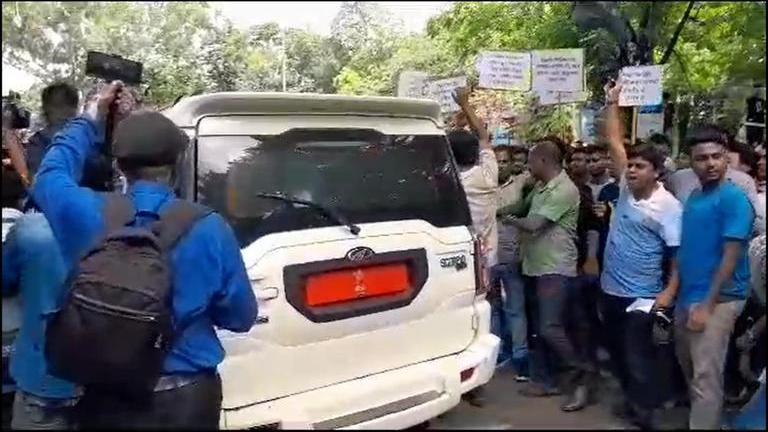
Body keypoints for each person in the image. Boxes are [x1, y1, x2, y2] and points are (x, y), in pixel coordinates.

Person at [31, 82, 257, 428]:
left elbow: (49, 175)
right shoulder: (210, 228)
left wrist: (91, 118)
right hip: (186, 400)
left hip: (108, 397)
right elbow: (240, 318)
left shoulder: (86, 212)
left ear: (120, 166)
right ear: (178, 163)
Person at [597, 82, 684, 428]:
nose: (631, 170)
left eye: (640, 166)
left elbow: (678, 257)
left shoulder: (669, 208)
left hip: (643, 297)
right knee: (616, 352)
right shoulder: (624, 187)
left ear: (657, 172)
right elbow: (614, 141)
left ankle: (647, 415)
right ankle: (634, 404)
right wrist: (613, 101)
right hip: (611, 290)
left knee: (637, 356)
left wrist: (668, 294)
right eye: (630, 165)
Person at [499, 138, 592, 412]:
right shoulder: (540, 186)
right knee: (539, 329)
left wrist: (507, 221)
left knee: (550, 328)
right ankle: (544, 380)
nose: (527, 166)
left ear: (542, 161)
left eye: (530, 161)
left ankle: (582, 375)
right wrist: (494, 210)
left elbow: (533, 224)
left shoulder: (564, 189)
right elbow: (520, 208)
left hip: (555, 268)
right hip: (534, 266)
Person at [675, 124, 755, 429]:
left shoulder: (734, 199)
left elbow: (730, 258)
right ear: (690, 162)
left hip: (721, 297)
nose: (710, 164)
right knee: (692, 370)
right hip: (690, 294)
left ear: (726, 159)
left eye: (716, 157)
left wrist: (706, 306)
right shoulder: (695, 196)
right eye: (702, 158)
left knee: (705, 376)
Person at [3, 165, 80, 430]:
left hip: (40, 376)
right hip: (97, 376)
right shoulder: (117, 226)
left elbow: (5, 281)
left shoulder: (31, 229)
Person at [448, 87, 498, 408]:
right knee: (480, 319)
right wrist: (465, 105)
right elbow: (484, 136)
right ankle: (476, 380)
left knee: (455, 317)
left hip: (458, 262)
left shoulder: (451, 181)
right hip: (486, 259)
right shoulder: (488, 173)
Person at [492, 145, 530, 380]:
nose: (500, 166)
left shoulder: (521, 185)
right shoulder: (481, 187)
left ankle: (521, 358)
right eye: (496, 161)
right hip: (486, 259)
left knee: (515, 309)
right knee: (493, 309)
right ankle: (497, 354)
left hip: (512, 257)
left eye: (504, 161)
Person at [25, 82, 80, 179]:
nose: (65, 110)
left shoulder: (38, 141)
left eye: (70, 104)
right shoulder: (38, 142)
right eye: (59, 105)